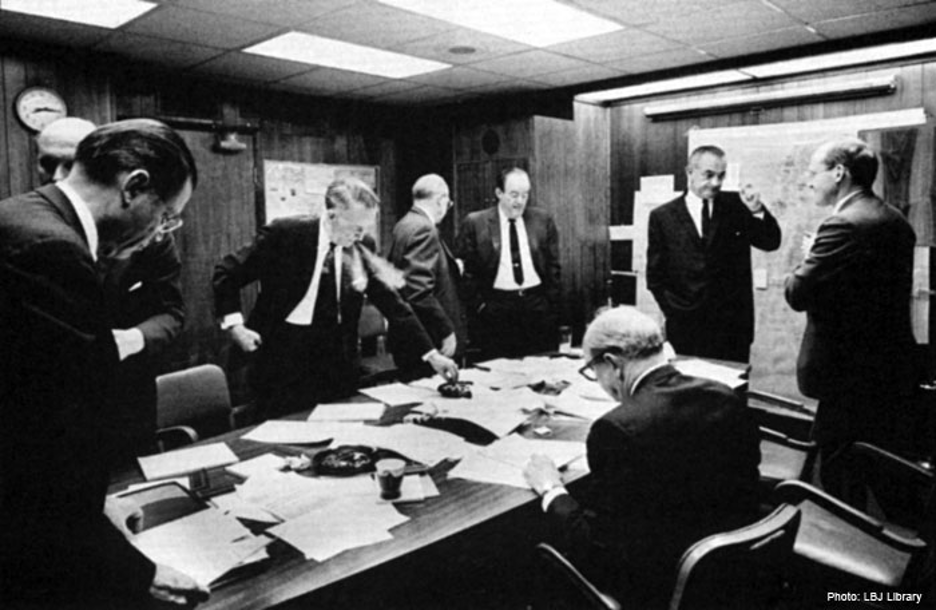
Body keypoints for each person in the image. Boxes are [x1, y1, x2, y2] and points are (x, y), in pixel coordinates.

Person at [0, 119, 207, 606]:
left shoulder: (21, 216)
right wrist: (135, 571)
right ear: (134, 186)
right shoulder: (53, 252)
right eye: (166, 215)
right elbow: (43, 453)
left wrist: (94, 506)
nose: (159, 232)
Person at [523, 306, 760, 606]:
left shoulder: (615, 429)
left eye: (592, 371)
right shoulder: (724, 395)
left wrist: (551, 490)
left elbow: (598, 550)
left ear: (612, 364)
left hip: (660, 590)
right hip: (730, 573)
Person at [213, 177, 458, 418]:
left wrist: (431, 354)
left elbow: (394, 304)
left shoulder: (362, 245)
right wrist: (236, 327)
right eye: (356, 227)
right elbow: (226, 273)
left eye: (365, 228)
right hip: (282, 355)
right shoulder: (286, 234)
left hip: (336, 362)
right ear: (332, 216)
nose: (360, 236)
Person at [36, 117, 186, 460]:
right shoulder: (32, 234)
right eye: (48, 163)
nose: (58, 177)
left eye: (70, 164)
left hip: (126, 396)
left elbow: (172, 312)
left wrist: (132, 339)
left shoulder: (149, 234)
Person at [785, 137, 918, 495]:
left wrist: (809, 256)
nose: (809, 180)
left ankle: (836, 528)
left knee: (838, 478)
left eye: (813, 172)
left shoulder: (843, 225)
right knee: (881, 472)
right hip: (885, 372)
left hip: (844, 376)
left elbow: (797, 293)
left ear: (839, 173)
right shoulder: (895, 220)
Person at [647, 145, 781, 363]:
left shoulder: (737, 205)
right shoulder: (662, 217)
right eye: (708, 175)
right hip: (686, 329)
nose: (716, 183)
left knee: (732, 384)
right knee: (689, 384)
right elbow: (655, 276)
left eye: (721, 176)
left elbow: (770, 241)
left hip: (732, 330)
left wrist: (757, 210)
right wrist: (675, 312)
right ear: (690, 172)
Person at [456, 167, 560, 360]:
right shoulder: (475, 223)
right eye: (513, 195)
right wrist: (481, 306)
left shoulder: (542, 220)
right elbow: (466, 272)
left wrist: (549, 303)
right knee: (499, 370)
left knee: (539, 368)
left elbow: (553, 266)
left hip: (536, 308)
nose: (520, 201)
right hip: (496, 310)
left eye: (524, 195)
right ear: (499, 193)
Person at [387, 174, 467, 378]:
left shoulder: (404, 224)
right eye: (448, 203)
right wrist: (446, 330)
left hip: (409, 337)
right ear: (440, 200)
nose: (447, 209)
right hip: (429, 339)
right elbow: (418, 291)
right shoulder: (424, 228)